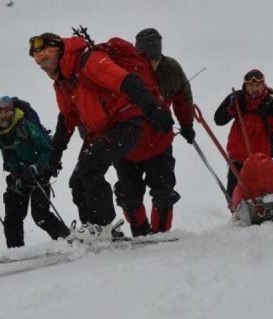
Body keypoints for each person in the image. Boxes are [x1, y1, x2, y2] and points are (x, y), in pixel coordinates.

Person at [29, 32, 173, 244]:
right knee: (78, 181)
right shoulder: (63, 82)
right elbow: (67, 118)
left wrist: (152, 109)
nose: (41, 64)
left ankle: (101, 226)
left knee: (90, 167)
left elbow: (128, 81)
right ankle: (94, 229)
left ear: (58, 51)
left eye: (44, 57)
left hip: (127, 123)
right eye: (36, 60)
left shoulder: (89, 61)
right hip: (104, 130)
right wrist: (53, 158)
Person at [108, 28, 192, 236]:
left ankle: (161, 232)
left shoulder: (171, 68)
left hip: (160, 143)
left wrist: (187, 124)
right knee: (128, 194)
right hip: (126, 145)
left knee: (163, 191)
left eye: (156, 59)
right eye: (148, 59)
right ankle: (140, 229)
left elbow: (183, 97)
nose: (152, 64)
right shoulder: (122, 68)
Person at [0, 96, 69, 248]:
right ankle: (15, 252)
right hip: (17, 180)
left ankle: (67, 241)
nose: (2, 117)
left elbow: (47, 150)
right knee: (12, 218)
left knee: (41, 217)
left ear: (12, 111)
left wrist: (36, 167)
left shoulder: (26, 125)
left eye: (6, 112)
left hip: (38, 177)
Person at [213, 69, 273, 201]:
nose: (254, 89)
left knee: (261, 197)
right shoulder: (238, 98)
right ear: (245, 86)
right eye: (250, 85)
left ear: (264, 85)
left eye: (258, 85)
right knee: (235, 198)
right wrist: (231, 107)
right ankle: (238, 216)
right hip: (237, 159)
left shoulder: (270, 102)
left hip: (260, 160)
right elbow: (219, 120)